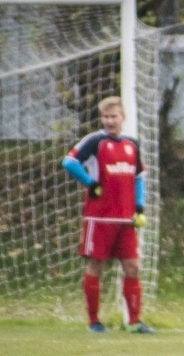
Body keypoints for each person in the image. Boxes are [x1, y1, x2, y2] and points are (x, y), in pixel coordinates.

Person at [62, 96, 155, 334]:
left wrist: (139, 206)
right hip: (100, 218)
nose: (110, 121)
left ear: (123, 117)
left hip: (126, 219)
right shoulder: (95, 141)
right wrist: (90, 183)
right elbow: (69, 162)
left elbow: (138, 177)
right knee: (96, 267)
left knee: (133, 267)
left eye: (114, 116)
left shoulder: (132, 144)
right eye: (106, 117)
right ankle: (94, 322)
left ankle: (134, 322)